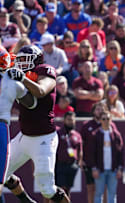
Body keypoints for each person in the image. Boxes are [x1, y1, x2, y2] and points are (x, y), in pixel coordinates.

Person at [5, 44, 71, 202]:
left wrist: (22, 78)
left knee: (48, 190)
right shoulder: (20, 75)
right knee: (1, 171)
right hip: (24, 136)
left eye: (24, 60)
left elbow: (40, 91)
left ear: (36, 60)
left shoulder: (46, 70)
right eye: (19, 61)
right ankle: (27, 201)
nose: (21, 64)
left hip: (44, 138)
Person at [0, 48, 35, 202]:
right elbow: (32, 103)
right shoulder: (12, 80)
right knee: (1, 176)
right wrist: (23, 80)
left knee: (5, 174)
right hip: (1, 127)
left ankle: (25, 199)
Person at [92, 111, 123, 203]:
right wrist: (94, 168)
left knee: (112, 194)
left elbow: (120, 152)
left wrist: (120, 168)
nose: (106, 121)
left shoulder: (116, 135)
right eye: (103, 119)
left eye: (108, 119)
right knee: (98, 194)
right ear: (100, 120)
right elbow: (92, 153)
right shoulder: (95, 135)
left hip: (113, 170)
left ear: (111, 120)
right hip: (99, 169)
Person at [80, 102, 108, 203]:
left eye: (101, 109)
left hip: (105, 162)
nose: (99, 111)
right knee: (91, 188)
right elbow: (81, 143)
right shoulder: (86, 125)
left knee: (105, 188)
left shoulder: (108, 124)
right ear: (93, 111)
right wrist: (81, 159)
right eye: (97, 109)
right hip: (90, 161)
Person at [55, 111, 82, 198]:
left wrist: (78, 164)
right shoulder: (58, 133)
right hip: (60, 164)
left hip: (72, 165)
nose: (71, 121)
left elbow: (80, 150)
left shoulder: (76, 135)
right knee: (60, 189)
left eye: (72, 120)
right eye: (69, 119)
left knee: (68, 189)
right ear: (64, 120)